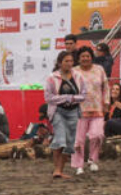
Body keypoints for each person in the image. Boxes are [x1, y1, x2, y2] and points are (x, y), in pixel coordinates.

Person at [45, 51, 83, 180]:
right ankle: (56, 169)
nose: (69, 63)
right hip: (58, 111)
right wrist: (64, 99)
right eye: (66, 61)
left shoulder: (78, 76)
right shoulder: (52, 78)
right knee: (60, 138)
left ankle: (60, 170)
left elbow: (83, 95)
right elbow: (48, 97)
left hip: (73, 112)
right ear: (60, 62)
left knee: (69, 142)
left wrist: (71, 98)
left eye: (71, 61)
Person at [72, 46, 109, 174]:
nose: (85, 58)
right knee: (79, 140)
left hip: (97, 109)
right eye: (82, 56)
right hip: (79, 110)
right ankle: (79, 165)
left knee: (97, 135)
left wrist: (107, 102)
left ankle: (93, 160)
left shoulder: (99, 70)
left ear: (91, 57)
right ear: (78, 58)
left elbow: (106, 87)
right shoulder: (73, 72)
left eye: (88, 56)